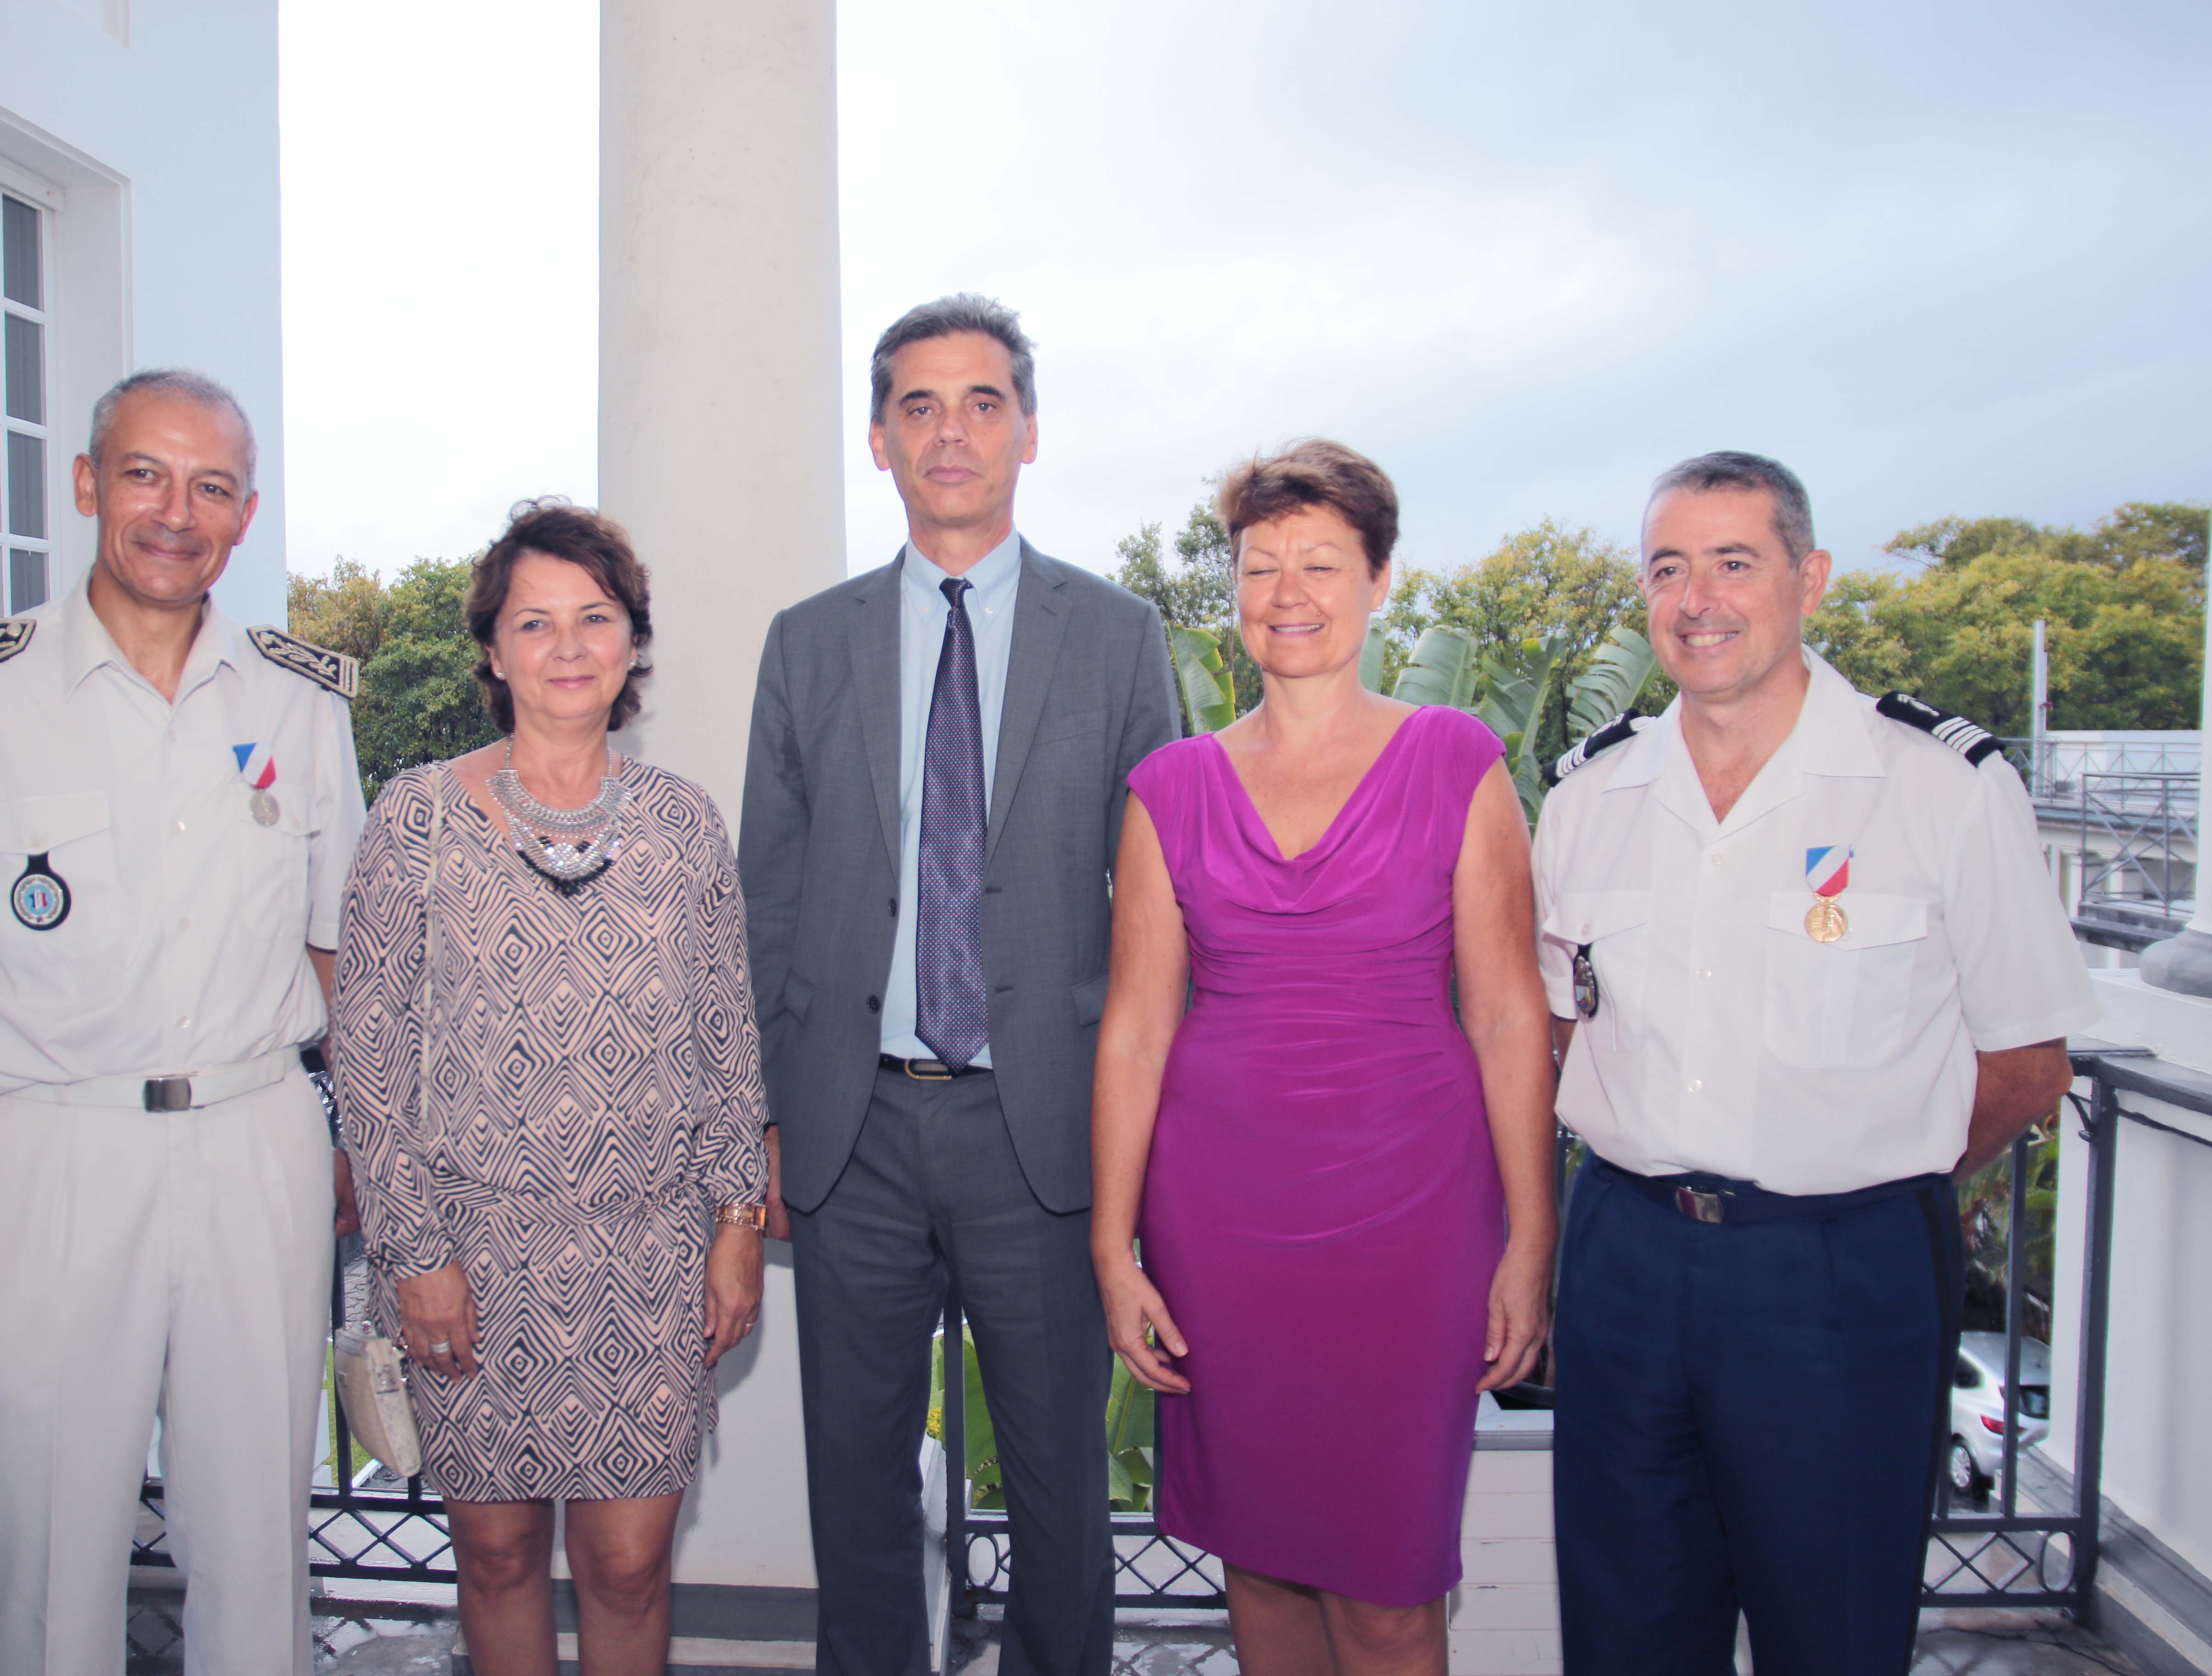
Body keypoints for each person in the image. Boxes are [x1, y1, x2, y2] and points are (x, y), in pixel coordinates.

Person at [0, 368, 367, 1676]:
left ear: (246, 513)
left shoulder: (299, 703)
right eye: (147, 475)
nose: (176, 513)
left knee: (261, 1553)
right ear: (90, 484)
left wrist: (361, 1147)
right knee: (48, 1559)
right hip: (53, 1156)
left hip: (257, 1146)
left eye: (212, 487)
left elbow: (341, 955)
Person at [1535, 451, 2099, 1676]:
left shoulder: (1938, 787)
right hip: (1625, 1261)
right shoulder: (1591, 797)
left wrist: (1871, 1179)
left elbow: (2027, 1059)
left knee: (1832, 1634)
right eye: (1668, 569)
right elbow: (1565, 1026)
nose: (1697, 600)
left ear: (1811, 577)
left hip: (1840, 1275)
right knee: (1624, 1636)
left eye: (1734, 563)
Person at [740, 294, 1179, 1676]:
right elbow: (767, 897)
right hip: (851, 1128)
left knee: (1057, 1489)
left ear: (1029, 432)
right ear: (879, 439)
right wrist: (762, 1117)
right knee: (856, 1487)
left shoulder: (1117, 636)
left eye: (983, 402)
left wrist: (1144, 1138)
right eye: (918, 406)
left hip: (1039, 1128)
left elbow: (1159, 909)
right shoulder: (808, 642)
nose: (951, 432)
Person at [1089, 441, 1557, 1675]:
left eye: (1321, 564)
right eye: (1261, 567)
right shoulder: (1168, 787)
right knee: (1258, 1562)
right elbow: (1135, 1033)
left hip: (1415, 1225)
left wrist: (1531, 1239)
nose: (1288, 593)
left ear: (1380, 581)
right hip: (1222, 1226)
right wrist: (1111, 1248)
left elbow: (1511, 1018)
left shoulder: (1459, 762)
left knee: (1391, 1587)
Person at [333, 498, 769, 1676]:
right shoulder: (415, 819)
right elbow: (368, 1058)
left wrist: (737, 1226)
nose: (568, 646)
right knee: (496, 1557)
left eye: (596, 617)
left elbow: (729, 1043)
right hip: (468, 1260)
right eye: (535, 622)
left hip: (649, 1257)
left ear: (632, 642)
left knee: (629, 1565)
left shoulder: (685, 825)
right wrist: (415, 1258)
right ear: (492, 650)